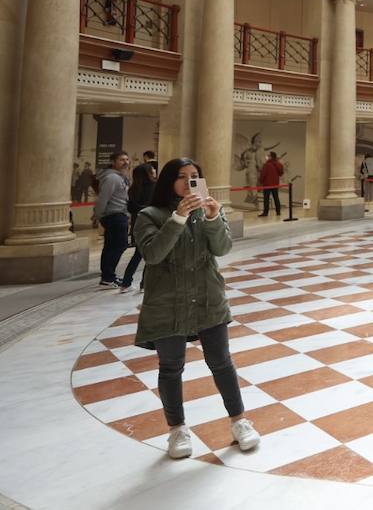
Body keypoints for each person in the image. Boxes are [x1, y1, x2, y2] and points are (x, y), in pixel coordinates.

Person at [133, 157, 260, 460]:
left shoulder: (206, 211)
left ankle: (239, 421)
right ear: (168, 181)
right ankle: (177, 429)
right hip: (167, 302)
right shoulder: (149, 215)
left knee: (221, 362)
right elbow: (153, 253)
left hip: (207, 297)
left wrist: (214, 219)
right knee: (171, 367)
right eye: (182, 177)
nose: (190, 182)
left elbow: (222, 248)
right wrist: (177, 218)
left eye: (195, 176)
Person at [120, 151, 158, 293]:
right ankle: (144, 284)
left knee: (138, 255)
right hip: (153, 224)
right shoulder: (155, 187)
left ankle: (126, 283)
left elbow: (130, 207)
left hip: (139, 224)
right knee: (151, 255)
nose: (154, 170)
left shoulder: (133, 189)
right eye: (151, 169)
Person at [94, 151, 132, 288]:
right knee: (119, 245)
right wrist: (99, 215)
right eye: (122, 160)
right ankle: (108, 276)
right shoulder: (112, 178)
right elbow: (103, 198)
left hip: (119, 215)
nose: (126, 162)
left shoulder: (120, 177)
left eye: (127, 159)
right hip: (114, 215)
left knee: (112, 246)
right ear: (113, 162)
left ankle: (108, 277)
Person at [258, 150, 285, 217]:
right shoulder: (279, 164)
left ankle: (265, 212)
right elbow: (281, 173)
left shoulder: (266, 165)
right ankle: (278, 212)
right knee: (276, 198)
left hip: (267, 185)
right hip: (275, 184)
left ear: (271, 157)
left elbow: (263, 174)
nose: (267, 157)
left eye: (268, 155)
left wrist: (260, 181)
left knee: (266, 199)